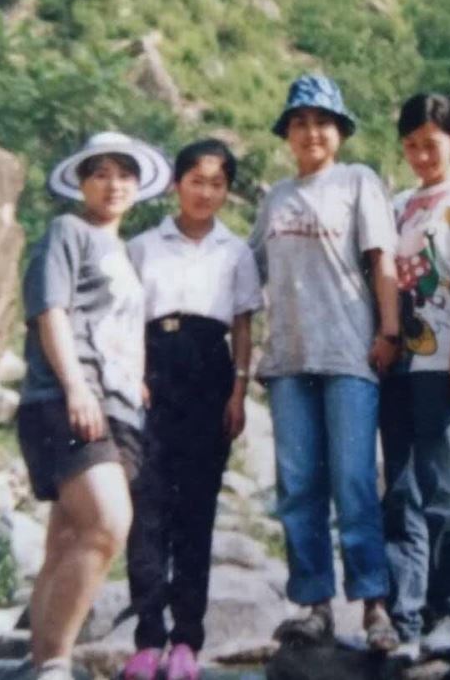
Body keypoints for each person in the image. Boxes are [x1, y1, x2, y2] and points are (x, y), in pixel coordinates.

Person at [249, 74, 402, 653]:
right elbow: (247, 269)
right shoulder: (276, 198)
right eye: (300, 123)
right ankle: (314, 604)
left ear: (339, 131)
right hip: (289, 359)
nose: (311, 132)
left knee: (354, 480)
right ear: (287, 133)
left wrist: (389, 330)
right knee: (297, 487)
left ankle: (374, 604)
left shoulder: (358, 181)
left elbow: (382, 260)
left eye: (321, 122)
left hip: (348, 353)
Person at [16, 131, 171, 680]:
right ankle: (57, 663)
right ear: (81, 183)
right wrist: (76, 386)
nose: (114, 185)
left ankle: (41, 664)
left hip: (120, 408)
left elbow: (118, 325)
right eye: (100, 173)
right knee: (108, 523)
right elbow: (51, 311)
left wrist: (137, 380)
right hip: (68, 399)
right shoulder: (68, 231)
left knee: (66, 539)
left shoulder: (124, 253)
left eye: (125, 174)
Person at [121, 139, 263, 680]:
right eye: (196, 181)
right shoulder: (143, 246)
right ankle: (146, 638)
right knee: (147, 505)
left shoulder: (236, 252)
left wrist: (238, 392)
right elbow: (126, 317)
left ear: (227, 191)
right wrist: (132, 375)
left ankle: (186, 641)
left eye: (217, 184)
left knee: (196, 511)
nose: (205, 193)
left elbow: (243, 324)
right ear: (177, 183)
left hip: (210, 372)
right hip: (152, 368)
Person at [381, 93, 450, 659]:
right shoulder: (399, 203)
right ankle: (407, 617)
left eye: (432, 143)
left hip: (441, 358)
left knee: (445, 485)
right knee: (401, 490)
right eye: (412, 144)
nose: (422, 155)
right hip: (398, 361)